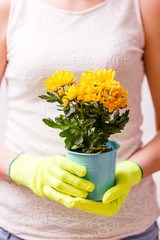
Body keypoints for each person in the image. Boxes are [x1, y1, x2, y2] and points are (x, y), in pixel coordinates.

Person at [0, 0, 160, 239]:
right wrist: (26, 169)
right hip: (22, 228)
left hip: (130, 229)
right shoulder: (9, 6)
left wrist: (133, 170)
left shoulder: (144, 5)